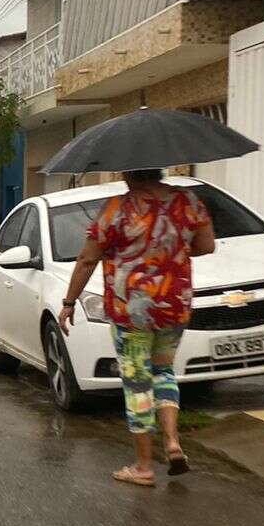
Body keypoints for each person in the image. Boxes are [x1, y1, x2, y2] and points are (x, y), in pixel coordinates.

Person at [60, 169, 216, 487]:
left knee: (136, 383)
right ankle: (172, 442)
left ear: (129, 174)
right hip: (175, 304)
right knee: (163, 372)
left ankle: (144, 466)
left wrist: (69, 301)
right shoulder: (188, 201)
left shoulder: (117, 209)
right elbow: (206, 245)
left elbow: (88, 259)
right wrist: (169, 251)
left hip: (131, 310)